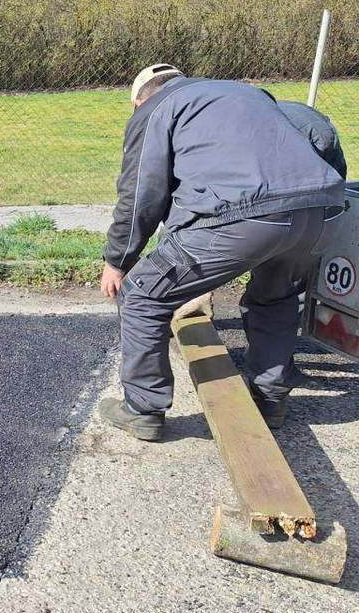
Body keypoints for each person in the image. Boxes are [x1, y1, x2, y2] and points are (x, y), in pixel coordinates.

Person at [98, 64, 346, 440]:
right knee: (275, 298)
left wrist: (118, 260)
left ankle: (143, 409)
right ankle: (270, 399)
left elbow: (141, 195)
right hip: (322, 212)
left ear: (138, 101)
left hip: (245, 216)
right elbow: (313, 131)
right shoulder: (243, 94)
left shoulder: (157, 109)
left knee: (143, 295)